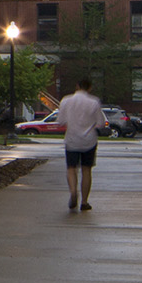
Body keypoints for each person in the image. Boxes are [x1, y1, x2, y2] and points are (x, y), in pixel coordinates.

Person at [53, 75, 106, 212]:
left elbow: (60, 121)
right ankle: (84, 201)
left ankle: (73, 192)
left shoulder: (66, 100)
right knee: (86, 170)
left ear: (77, 86)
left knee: (71, 168)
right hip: (89, 140)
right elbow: (100, 123)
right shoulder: (94, 102)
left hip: (72, 139)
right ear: (89, 87)